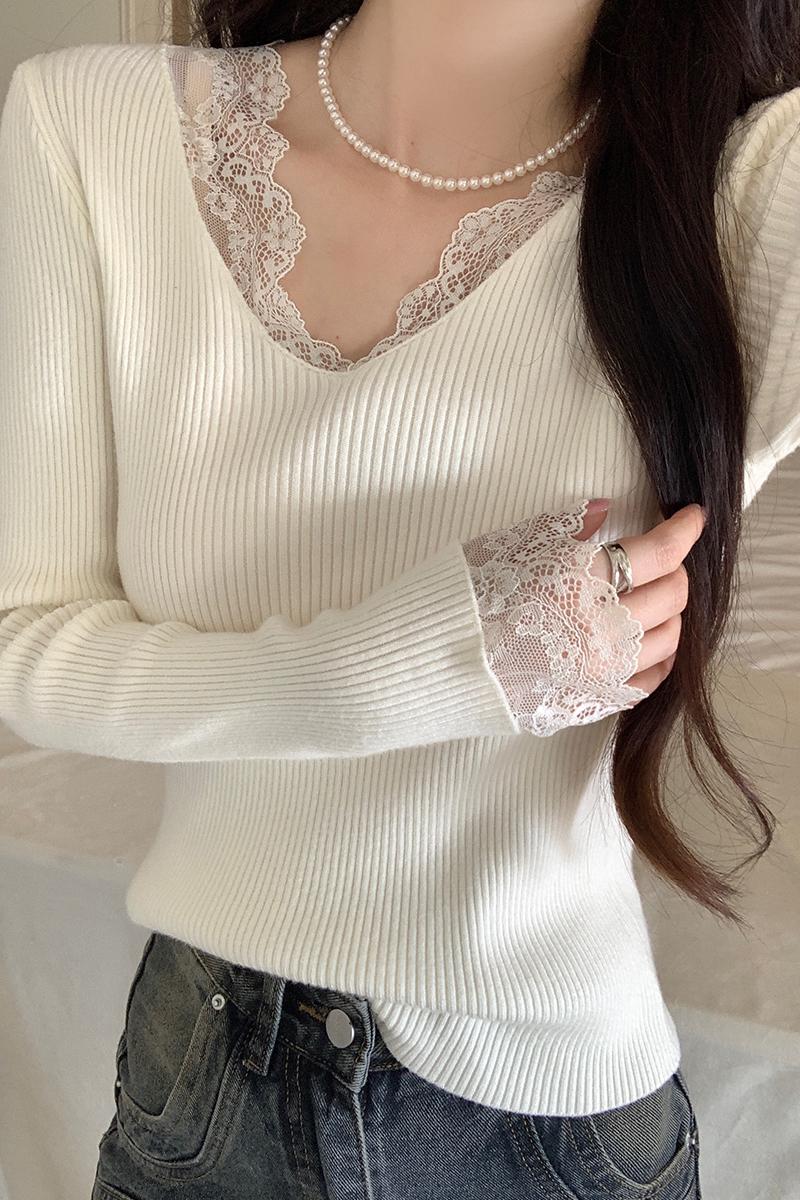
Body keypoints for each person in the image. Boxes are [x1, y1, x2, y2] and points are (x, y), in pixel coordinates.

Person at [0, 0, 798, 1196]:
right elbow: (28, 646)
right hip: (198, 1083)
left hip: (539, 1124)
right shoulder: (85, 126)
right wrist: (418, 662)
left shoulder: (748, 192)